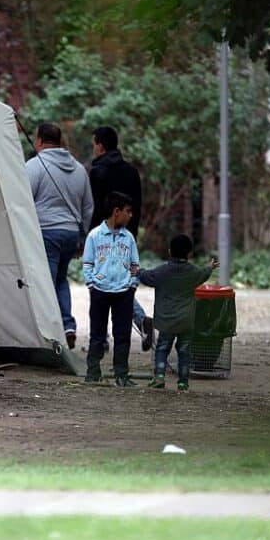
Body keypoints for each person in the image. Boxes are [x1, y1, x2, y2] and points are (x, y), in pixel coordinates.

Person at [26, 123, 93, 350]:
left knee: (45, 283)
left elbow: (23, 200)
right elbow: (88, 207)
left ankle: (48, 332)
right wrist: (82, 236)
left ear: (39, 140)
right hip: (71, 233)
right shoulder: (79, 169)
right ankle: (67, 326)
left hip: (47, 233)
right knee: (60, 280)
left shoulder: (35, 166)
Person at [88, 126, 153, 351]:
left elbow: (96, 209)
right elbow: (137, 206)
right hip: (127, 234)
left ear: (100, 146)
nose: (93, 149)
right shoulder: (131, 171)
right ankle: (140, 321)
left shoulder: (97, 173)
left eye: (94, 144)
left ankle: (102, 339)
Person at [137, 234, 219, 391]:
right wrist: (210, 267)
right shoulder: (193, 272)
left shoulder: (162, 272)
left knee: (162, 348)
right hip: (186, 321)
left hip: (166, 321)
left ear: (170, 251)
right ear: (189, 253)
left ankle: (159, 377)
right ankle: (183, 382)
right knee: (184, 351)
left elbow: (146, 277)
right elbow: (204, 273)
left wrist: (138, 271)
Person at [82, 191, 139, 387]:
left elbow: (134, 264)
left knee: (122, 335)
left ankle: (121, 374)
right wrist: (92, 284)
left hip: (123, 293)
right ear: (116, 212)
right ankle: (93, 371)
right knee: (97, 334)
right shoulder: (94, 236)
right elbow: (87, 264)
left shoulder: (129, 238)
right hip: (100, 291)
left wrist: (132, 285)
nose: (130, 215)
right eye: (127, 211)